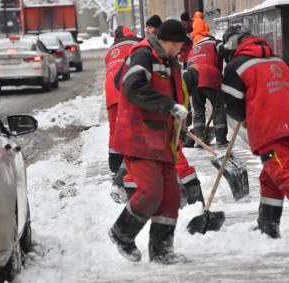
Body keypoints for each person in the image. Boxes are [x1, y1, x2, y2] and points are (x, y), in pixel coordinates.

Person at [220, 25, 289, 239]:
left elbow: (231, 104)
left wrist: (245, 118)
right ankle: (268, 225)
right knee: (270, 176)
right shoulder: (279, 61)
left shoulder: (237, 66)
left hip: (268, 128)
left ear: (232, 43)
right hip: (288, 125)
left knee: (283, 173)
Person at [109, 19, 189, 264]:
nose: (181, 51)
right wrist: (168, 106)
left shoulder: (168, 61)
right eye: (179, 46)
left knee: (171, 194)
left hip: (161, 138)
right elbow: (131, 87)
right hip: (138, 137)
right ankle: (121, 233)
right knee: (152, 192)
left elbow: (176, 94)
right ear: (169, 42)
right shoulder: (144, 55)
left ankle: (162, 250)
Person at [104, 25, 140, 176]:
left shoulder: (110, 50)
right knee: (134, 125)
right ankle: (133, 162)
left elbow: (108, 66)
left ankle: (114, 166)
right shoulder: (137, 44)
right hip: (128, 86)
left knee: (115, 128)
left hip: (111, 88)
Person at [185, 34, 229, 147]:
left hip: (194, 79)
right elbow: (225, 51)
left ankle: (199, 140)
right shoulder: (215, 43)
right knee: (218, 107)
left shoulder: (193, 50)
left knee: (198, 109)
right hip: (211, 75)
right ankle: (221, 139)